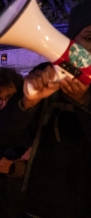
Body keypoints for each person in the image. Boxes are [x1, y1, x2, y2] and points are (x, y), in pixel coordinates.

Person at [0, 0, 91, 217]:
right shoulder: (45, 73)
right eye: (90, 37)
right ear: (71, 39)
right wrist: (26, 103)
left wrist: (85, 103)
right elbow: (6, 137)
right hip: (42, 207)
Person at [0, 68, 29, 218]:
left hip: (23, 206)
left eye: (8, 97)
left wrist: (13, 167)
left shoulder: (30, 123)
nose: (3, 104)